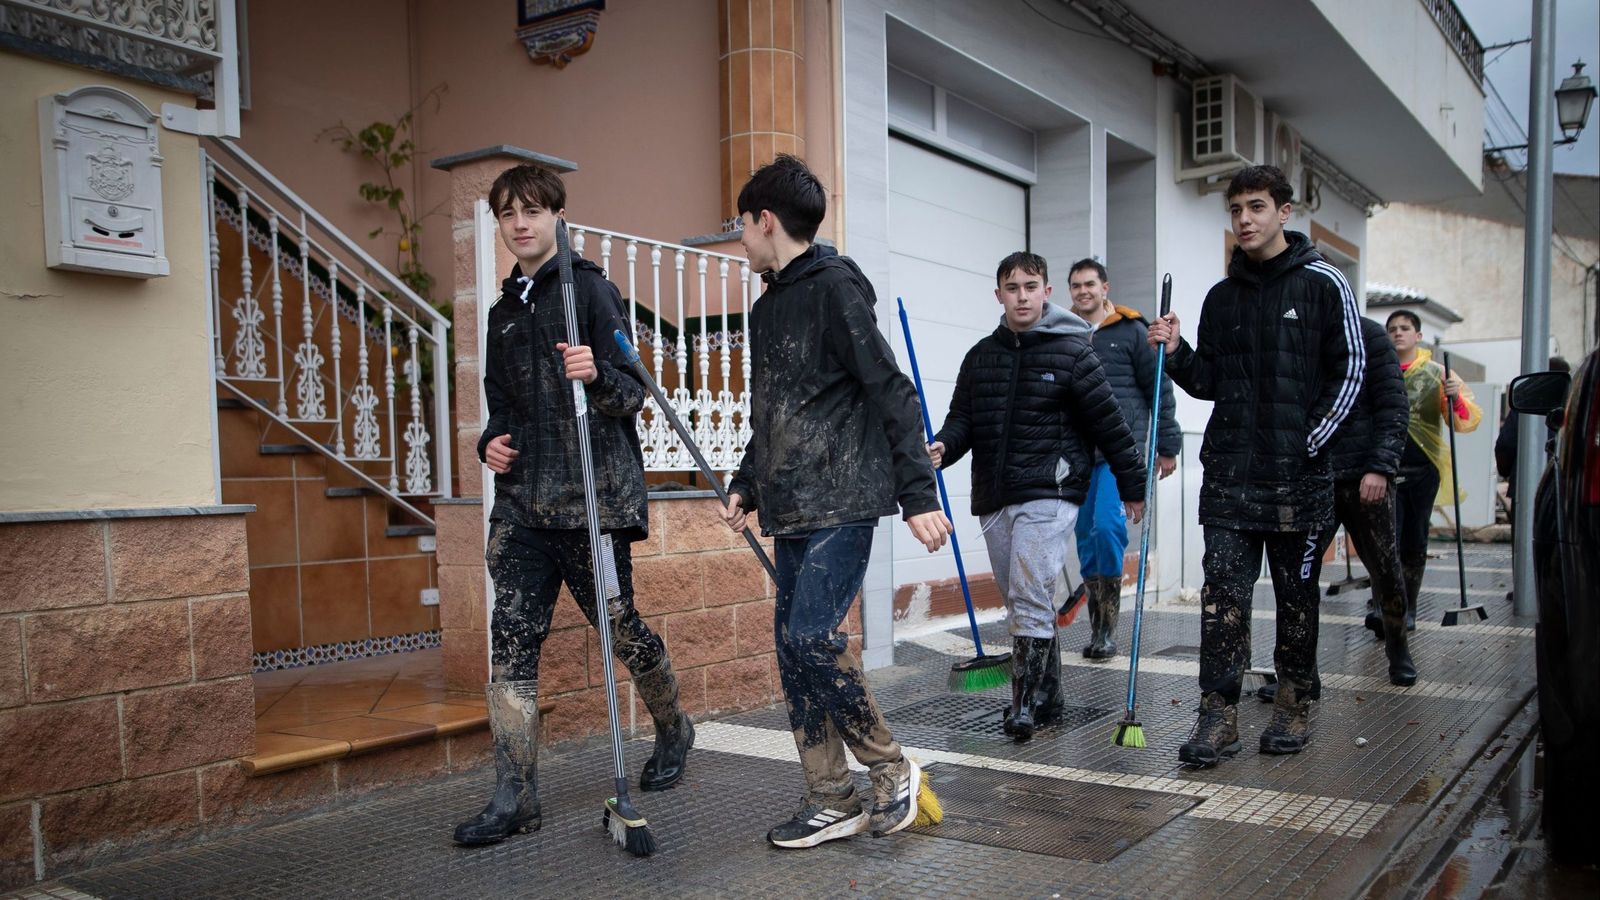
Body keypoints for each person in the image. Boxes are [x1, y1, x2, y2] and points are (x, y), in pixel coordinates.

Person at [455, 165, 693, 846]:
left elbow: (634, 390)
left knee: (621, 630)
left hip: (594, 501)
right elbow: (501, 405)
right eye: (508, 215)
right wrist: (489, 444)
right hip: (523, 508)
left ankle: (674, 725)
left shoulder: (588, 290)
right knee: (510, 647)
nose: (521, 223)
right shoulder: (504, 312)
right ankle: (515, 794)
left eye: (532, 210)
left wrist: (600, 373)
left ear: (558, 214)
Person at [721, 154, 952, 849]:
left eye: (742, 224)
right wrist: (745, 482)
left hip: (843, 497)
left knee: (812, 638)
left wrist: (917, 494)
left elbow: (892, 390)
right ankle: (831, 797)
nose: (739, 238)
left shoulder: (834, 291)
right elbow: (776, 413)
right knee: (794, 653)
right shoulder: (768, 309)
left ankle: (890, 769)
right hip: (791, 503)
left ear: (766, 222)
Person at [1148, 164, 1365, 767]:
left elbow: (1351, 372)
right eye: (1237, 209)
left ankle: (1294, 701)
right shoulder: (1222, 296)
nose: (1245, 219)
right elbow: (1210, 381)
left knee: (1297, 596)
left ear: (1284, 213)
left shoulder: (1325, 284)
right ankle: (1217, 717)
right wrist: (1178, 352)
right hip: (1229, 477)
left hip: (1299, 480)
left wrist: (1309, 442)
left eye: (1257, 207)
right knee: (1223, 599)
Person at [929, 252, 1145, 743]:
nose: (1022, 295)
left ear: (1047, 292)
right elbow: (963, 419)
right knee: (1020, 596)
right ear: (998, 294)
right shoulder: (980, 356)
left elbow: (1109, 424)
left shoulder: (1073, 353)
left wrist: (1132, 485)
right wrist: (944, 445)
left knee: (1027, 595)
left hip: (1052, 491)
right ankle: (1050, 692)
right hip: (995, 495)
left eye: (1031, 286)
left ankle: (1022, 706)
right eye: (1012, 287)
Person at [1263, 316, 1417, 695]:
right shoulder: (1296, 337)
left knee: (1385, 570)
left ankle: (1398, 650)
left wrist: (1380, 467)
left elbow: (1393, 405)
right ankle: (1301, 674)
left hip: (1366, 480)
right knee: (1299, 579)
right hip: (1313, 479)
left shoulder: (1369, 335)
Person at [1063, 258, 1181, 661]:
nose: (1083, 291)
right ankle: (1097, 625)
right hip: (1078, 454)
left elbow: (1158, 387)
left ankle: (1108, 628)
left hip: (1120, 452)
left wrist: (1167, 443)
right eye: (1076, 285)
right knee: (1085, 536)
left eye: (1090, 284)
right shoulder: (1065, 333)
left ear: (1105, 287)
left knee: (1108, 528)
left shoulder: (1131, 331)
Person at [1385, 310, 1482, 628]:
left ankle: (1408, 609)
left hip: (1422, 470)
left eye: (1405, 328)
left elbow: (1463, 421)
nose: (1398, 333)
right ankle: (1387, 608)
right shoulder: (1379, 371)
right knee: (1386, 543)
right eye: (1392, 329)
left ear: (1418, 335)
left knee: (1415, 540)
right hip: (1384, 470)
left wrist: (1454, 398)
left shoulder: (1437, 373)